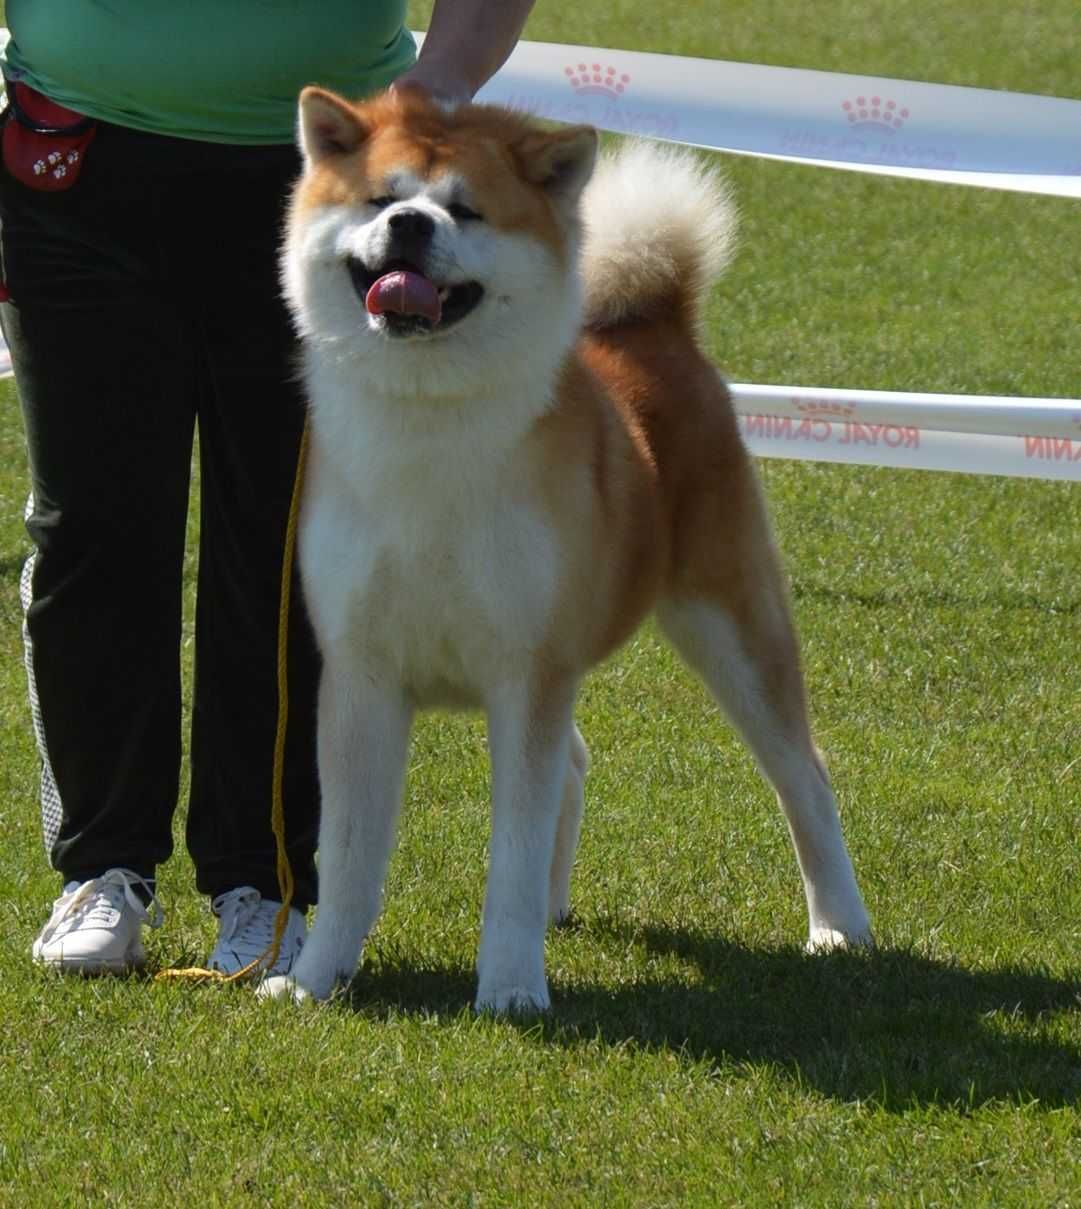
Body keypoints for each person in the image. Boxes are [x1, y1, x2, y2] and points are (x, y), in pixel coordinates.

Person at [1, 0, 536, 977]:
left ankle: (267, 879)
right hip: (72, 160)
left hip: (323, 177)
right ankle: (103, 869)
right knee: (93, 529)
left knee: (291, 539)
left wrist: (438, 85)